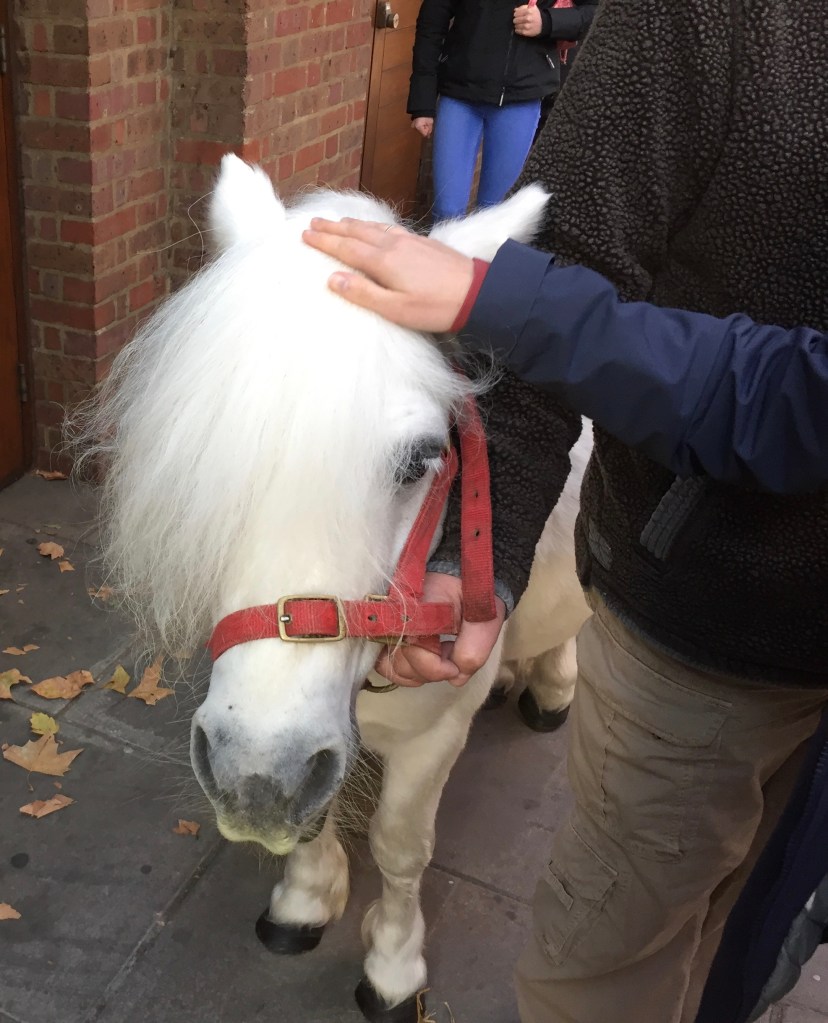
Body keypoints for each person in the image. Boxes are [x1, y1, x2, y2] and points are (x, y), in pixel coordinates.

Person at [306, 2, 828, 1021]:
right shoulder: (703, 22)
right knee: (614, 963)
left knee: (751, 938)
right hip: (708, 620)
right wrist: (478, 550)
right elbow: (575, 247)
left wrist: (491, 298)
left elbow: (793, 397)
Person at [407, 0, 596, 221]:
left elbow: (594, 12)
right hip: (460, 94)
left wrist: (547, 22)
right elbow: (431, 24)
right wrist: (423, 101)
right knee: (446, 211)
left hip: (521, 98)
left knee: (495, 216)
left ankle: (484, 257)